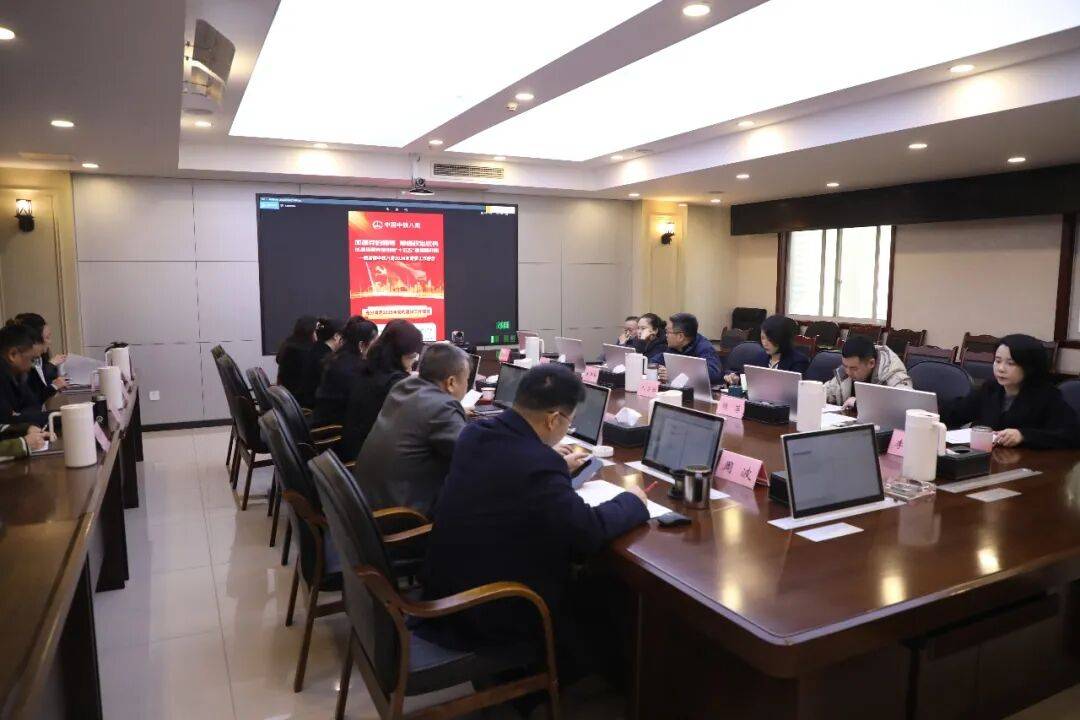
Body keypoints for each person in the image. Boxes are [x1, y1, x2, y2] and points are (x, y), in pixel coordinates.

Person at [416, 364, 649, 672]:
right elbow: (587, 533)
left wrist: (557, 468)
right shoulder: (538, 465)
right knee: (603, 589)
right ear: (553, 419)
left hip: (445, 587)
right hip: (485, 612)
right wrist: (632, 501)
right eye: (569, 422)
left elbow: (509, 480)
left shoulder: (476, 433)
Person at [353, 343, 470, 518]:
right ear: (451, 382)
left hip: (368, 503)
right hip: (401, 516)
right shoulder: (443, 408)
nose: (467, 386)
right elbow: (471, 456)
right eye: (467, 380)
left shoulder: (404, 386)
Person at [945, 334, 1079, 449]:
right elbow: (957, 411)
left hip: (1030, 464)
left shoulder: (1048, 396)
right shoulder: (991, 388)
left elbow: (1071, 434)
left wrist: (1023, 436)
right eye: (998, 361)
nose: (1001, 368)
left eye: (1010, 363)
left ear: (1029, 367)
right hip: (989, 458)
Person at [338, 319, 424, 460]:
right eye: (413, 356)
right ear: (402, 354)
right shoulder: (398, 385)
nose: (414, 360)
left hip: (357, 451)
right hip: (373, 459)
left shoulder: (368, 369)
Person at [311, 316, 378, 427]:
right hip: (335, 431)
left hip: (325, 424)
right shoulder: (356, 369)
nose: (378, 348)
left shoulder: (337, 360)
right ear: (361, 345)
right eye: (375, 343)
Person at [824, 334, 911, 408]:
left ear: (871, 363)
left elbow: (906, 403)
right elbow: (828, 391)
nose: (848, 372)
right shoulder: (846, 370)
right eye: (845, 366)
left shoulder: (892, 373)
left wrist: (859, 403)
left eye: (854, 368)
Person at [723, 314, 808, 384]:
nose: (765, 343)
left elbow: (793, 389)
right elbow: (747, 377)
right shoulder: (760, 357)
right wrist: (736, 378)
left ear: (782, 339)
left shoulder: (798, 361)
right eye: (763, 338)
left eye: (770, 339)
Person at [0, 323, 49, 426]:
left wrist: (19, 416)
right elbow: (6, 421)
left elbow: (34, 407)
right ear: (13, 354)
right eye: (32, 359)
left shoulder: (17, 375)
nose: (32, 365)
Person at [14, 313, 68, 404]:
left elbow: (41, 391)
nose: (50, 342)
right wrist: (54, 386)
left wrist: (54, 385)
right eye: (47, 337)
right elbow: (30, 401)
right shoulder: (21, 366)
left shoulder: (40, 358)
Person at [657, 312, 723, 385]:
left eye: (667, 332)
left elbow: (713, 374)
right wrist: (659, 369)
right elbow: (654, 361)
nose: (665, 335)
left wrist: (674, 374)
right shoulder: (674, 347)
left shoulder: (704, 348)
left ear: (680, 336)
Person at [298, 317, 341, 408]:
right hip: (314, 407)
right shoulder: (326, 358)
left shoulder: (314, 350)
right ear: (336, 336)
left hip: (307, 403)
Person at [276, 315, 317, 403]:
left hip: (289, 398)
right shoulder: (302, 352)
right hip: (300, 400)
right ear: (311, 331)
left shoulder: (288, 344)